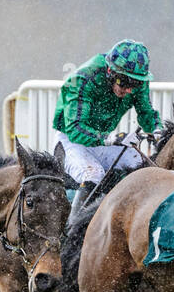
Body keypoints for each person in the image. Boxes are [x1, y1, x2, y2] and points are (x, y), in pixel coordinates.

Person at [53, 39, 162, 222]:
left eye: (134, 84)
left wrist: (157, 130)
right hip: (72, 141)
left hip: (102, 140)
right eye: (124, 82)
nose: (128, 89)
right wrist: (110, 138)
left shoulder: (137, 83)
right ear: (110, 71)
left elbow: (146, 112)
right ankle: (72, 231)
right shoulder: (83, 78)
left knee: (141, 165)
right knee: (93, 173)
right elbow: (75, 128)